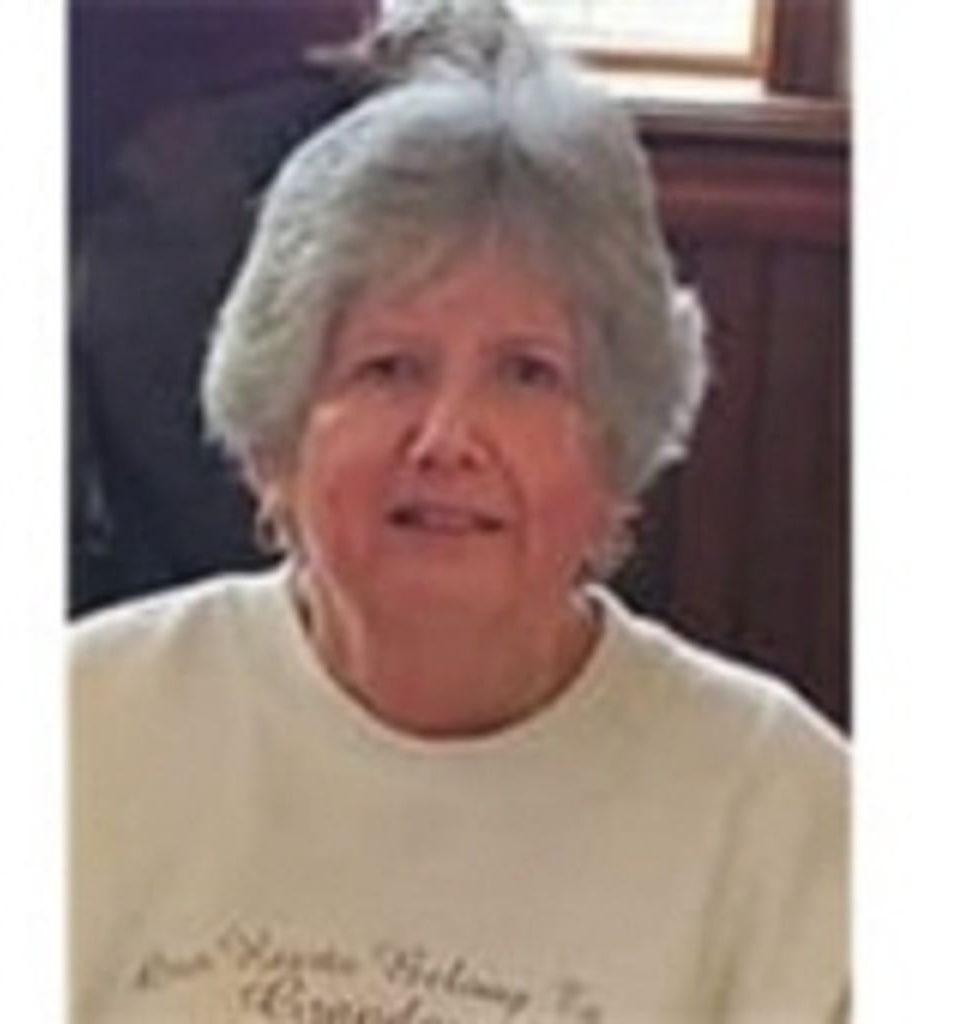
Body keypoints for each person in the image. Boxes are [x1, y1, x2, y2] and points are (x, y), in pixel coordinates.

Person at [71, 2, 849, 1021]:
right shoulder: (78, 728)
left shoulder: (785, 813)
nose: (447, 437)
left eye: (526, 374)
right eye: (388, 367)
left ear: (615, 451)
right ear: (274, 442)